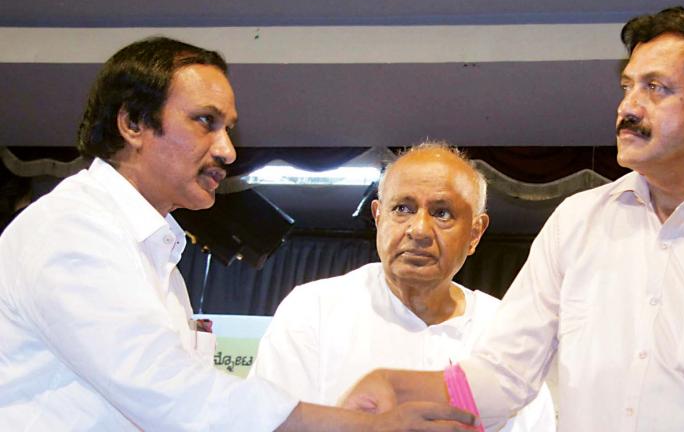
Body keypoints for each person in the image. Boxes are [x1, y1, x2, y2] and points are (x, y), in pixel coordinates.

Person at [343, 6, 684, 431]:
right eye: (627, 86)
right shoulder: (577, 222)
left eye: (655, 88)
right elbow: (502, 375)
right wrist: (398, 388)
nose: (628, 107)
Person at [0, 37, 476, 431]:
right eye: (205, 122)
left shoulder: (150, 251)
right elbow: (172, 394)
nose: (227, 150)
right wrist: (366, 426)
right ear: (132, 123)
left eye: (227, 128)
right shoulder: (70, 227)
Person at [249, 143, 556, 431]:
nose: (419, 230)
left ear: (475, 233)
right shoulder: (313, 309)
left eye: (442, 213)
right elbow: (266, 423)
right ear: (378, 217)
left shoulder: (507, 329)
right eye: (403, 209)